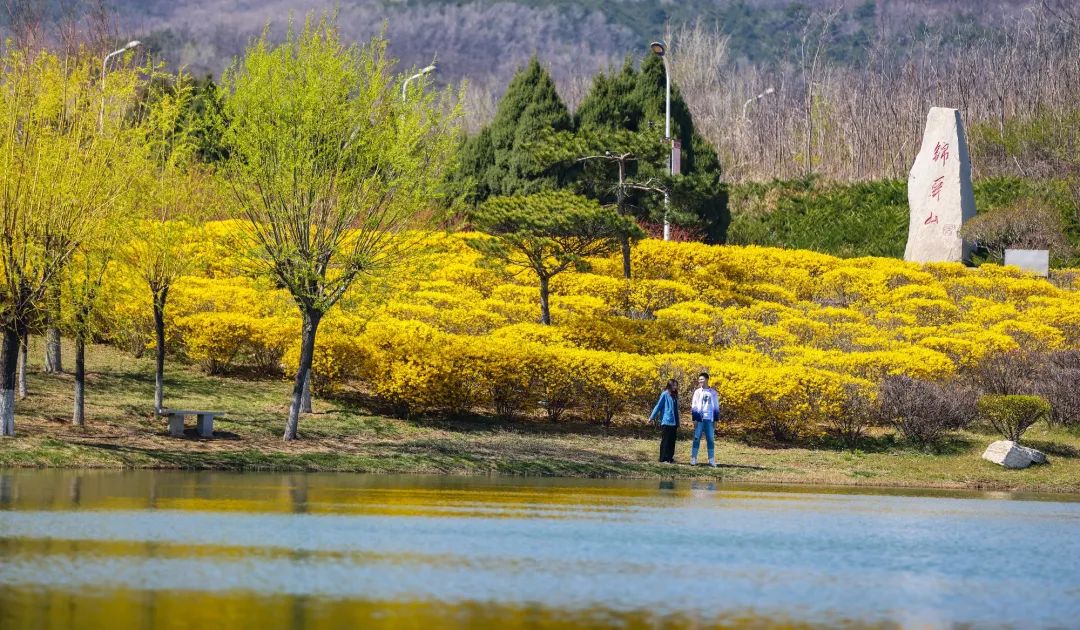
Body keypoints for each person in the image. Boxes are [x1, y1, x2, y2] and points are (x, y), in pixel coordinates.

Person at [690, 372, 720, 467]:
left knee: (710, 439)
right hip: (699, 419)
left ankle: (711, 459)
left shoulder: (713, 392)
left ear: (707, 379)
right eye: (699, 380)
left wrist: (716, 420)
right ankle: (694, 458)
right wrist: (694, 418)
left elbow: (716, 407)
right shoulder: (697, 392)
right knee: (696, 438)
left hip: (709, 419)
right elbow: (694, 406)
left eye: (702, 379)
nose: (700, 381)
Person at [648, 379, 680, 463]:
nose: (675, 387)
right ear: (669, 385)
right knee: (665, 440)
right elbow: (658, 406)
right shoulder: (664, 394)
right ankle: (663, 458)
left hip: (674, 421)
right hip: (667, 420)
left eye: (676, 385)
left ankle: (670, 458)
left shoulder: (675, 395)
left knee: (672, 441)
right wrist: (652, 417)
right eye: (673, 385)